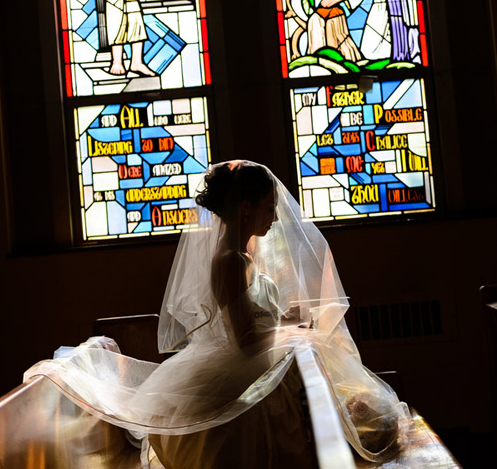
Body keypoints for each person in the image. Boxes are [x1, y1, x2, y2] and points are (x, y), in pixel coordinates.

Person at [23, 161, 410, 468]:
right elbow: (245, 343)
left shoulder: (242, 257)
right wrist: (289, 330)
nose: (275, 219)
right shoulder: (228, 262)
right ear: (246, 208)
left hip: (256, 356)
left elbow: (255, 321)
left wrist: (285, 321)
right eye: (269, 208)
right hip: (242, 367)